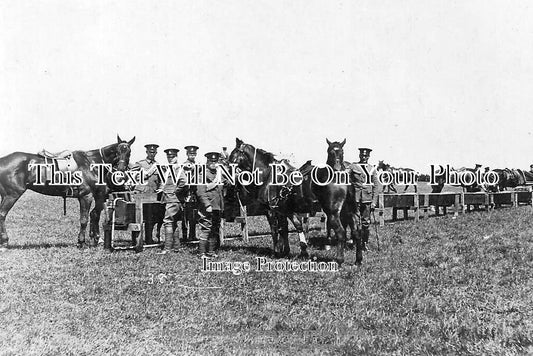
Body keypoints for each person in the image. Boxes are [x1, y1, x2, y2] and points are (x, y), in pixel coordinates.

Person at [348, 148, 380, 251]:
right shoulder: (353, 167)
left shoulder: (372, 169)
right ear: (359, 156)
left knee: (366, 223)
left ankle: (364, 244)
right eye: (362, 156)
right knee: (355, 222)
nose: (364, 158)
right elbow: (346, 181)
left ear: (369, 157)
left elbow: (376, 186)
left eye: (366, 156)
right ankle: (354, 241)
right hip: (355, 199)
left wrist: (374, 202)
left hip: (367, 200)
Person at [196, 152, 225, 258]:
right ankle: (201, 253)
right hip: (207, 207)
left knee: (214, 229)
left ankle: (211, 252)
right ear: (207, 161)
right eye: (211, 161)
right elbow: (200, 192)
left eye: (215, 161)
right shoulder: (202, 174)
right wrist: (207, 205)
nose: (213, 163)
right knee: (206, 228)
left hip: (217, 206)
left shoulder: (219, 174)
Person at [157, 148, 187, 254]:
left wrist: (175, 191)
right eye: (169, 157)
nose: (170, 159)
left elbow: (184, 182)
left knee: (168, 222)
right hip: (170, 199)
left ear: (177, 157)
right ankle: (176, 247)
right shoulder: (170, 169)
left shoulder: (178, 169)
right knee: (173, 223)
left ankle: (167, 248)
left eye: (172, 157)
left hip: (173, 199)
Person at [130, 144, 160, 244]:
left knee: (151, 219)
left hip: (152, 195)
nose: (152, 154)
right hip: (141, 195)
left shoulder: (158, 165)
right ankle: (136, 240)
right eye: (150, 152)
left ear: (156, 153)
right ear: (146, 152)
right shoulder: (140, 164)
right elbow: (132, 177)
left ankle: (149, 239)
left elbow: (159, 180)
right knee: (138, 218)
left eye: (154, 152)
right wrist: (146, 174)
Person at [182, 145, 199, 242]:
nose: (192, 155)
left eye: (193, 154)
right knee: (185, 217)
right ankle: (185, 237)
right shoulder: (184, 165)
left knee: (193, 217)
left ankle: (192, 235)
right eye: (190, 154)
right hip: (186, 193)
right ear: (187, 154)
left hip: (194, 194)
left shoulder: (197, 165)